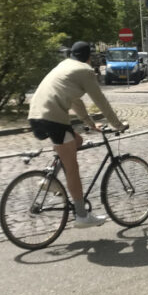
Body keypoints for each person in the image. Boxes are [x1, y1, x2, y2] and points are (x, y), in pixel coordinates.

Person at [28, 41, 125, 227]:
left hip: (35, 115)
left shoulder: (64, 66)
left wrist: (90, 124)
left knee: (77, 140)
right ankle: (81, 216)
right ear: (89, 57)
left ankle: (51, 179)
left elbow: (75, 102)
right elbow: (101, 100)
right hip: (53, 117)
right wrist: (117, 124)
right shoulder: (85, 70)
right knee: (72, 168)